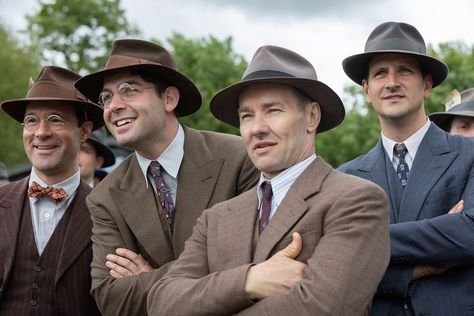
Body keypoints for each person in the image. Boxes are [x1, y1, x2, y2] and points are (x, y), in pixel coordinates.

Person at [147, 45, 390, 315]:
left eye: (273, 110)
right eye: (247, 116)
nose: (257, 128)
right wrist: (250, 280)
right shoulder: (215, 218)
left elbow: (324, 306)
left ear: (311, 117)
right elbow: (162, 302)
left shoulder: (355, 200)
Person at [74, 39, 259, 315]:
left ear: (169, 99)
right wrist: (212, 269)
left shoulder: (238, 158)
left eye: (128, 90)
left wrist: (152, 277)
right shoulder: (105, 196)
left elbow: (254, 260)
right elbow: (111, 298)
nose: (113, 106)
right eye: (106, 98)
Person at [339, 21, 474, 315]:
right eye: (380, 73)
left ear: (426, 85)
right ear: (366, 89)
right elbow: (338, 269)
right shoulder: (344, 178)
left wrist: (364, 239)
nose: (391, 82)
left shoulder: (470, 154)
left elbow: (469, 234)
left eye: (404, 70)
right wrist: (419, 264)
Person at [0, 66, 102, 315]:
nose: (41, 132)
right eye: (31, 120)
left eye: (56, 120)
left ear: (84, 131)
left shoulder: (108, 212)